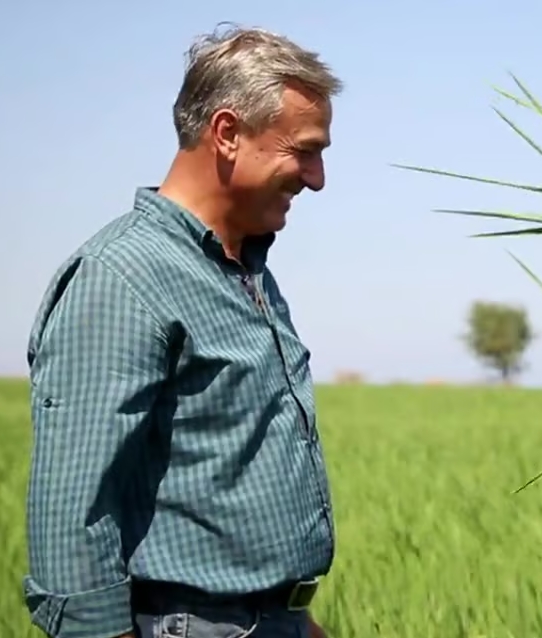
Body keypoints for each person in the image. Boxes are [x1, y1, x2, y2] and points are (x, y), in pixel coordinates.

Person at [21, 24, 342, 638]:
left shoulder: (244, 270)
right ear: (227, 133)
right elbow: (72, 509)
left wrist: (295, 623)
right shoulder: (122, 277)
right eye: (304, 149)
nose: (316, 176)